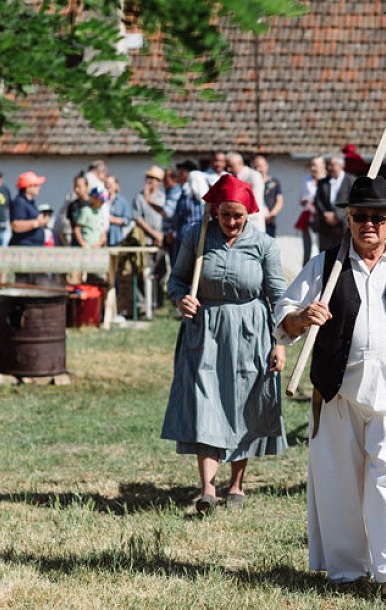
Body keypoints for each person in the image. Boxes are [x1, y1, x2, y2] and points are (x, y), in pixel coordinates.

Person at [275, 176, 386, 604]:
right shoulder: (326, 265)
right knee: (340, 483)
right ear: (348, 220)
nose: (368, 225)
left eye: (378, 217)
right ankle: (346, 569)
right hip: (338, 393)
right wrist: (303, 316)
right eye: (360, 217)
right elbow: (282, 319)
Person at [161, 174, 287, 514]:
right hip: (206, 331)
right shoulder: (197, 237)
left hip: (251, 332)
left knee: (244, 402)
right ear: (215, 211)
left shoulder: (264, 245)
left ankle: (236, 485)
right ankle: (207, 489)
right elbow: (175, 280)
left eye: (238, 216)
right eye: (225, 215)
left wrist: (281, 343)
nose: (231, 222)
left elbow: (278, 298)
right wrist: (180, 300)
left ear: (248, 214)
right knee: (206, 401)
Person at [132, 165, 169, 308]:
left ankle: (157, 302)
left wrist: (161, 236)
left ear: (159, 182)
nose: (149, 181)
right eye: (148, 177)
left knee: (160, 272)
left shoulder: (163, 198)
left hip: (161, 240)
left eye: (153, 179)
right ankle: (143, 303)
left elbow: (166, 216)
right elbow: (138, 218)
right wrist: (154, 234)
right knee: (143, 272)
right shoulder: (139, 198)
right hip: (145, 241)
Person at [312, 155, 354, 251]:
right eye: (328, 165)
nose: (329, 168)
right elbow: (317, 201)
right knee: (326, 256)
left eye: (332, 165)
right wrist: (325, 214)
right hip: (325, 227)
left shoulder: (351, 181)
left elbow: (352, 202)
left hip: (344, 226)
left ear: (341, 166)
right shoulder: (323, 182)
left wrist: (337, 216)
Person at [225, 152, 268, 232]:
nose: (228, 169)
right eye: (227, 166)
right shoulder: (229, 178)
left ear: (240, 163)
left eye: (231, 166)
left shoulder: (254, 176)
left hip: (253, 223)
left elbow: (254, 201)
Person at [296, 156, 326, 266]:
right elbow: (302, 200)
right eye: (311, 165)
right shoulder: (306, 181)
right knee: (308, 250)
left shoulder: (328, 181)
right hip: (309, 219)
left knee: (322, 250)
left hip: (323, 221)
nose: (313, 168)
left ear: (323, 166)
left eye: (315, 165)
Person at [9, 171, 49, 247]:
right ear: (27, 187)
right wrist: (37, 223)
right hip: (24, 247)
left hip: (34, 246)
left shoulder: (30, 203)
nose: (39, 188)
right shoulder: (19, 202)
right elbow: (16, 226)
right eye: (36, 185)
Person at [252, 155, 283, 237]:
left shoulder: (274, 182)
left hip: (269, 222)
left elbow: (279, 201)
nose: (259, 169)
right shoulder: (250, 183)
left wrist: (271, 215)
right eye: (256, 167)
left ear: (266, 166)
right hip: (255, 221)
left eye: (261, 166)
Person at [105, 175, 132, 247]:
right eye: (107, 184)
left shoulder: (122, 201)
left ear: (116, 185)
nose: (108, 186)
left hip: (117, 238)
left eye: (111, 184)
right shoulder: (100, 199)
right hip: (102, 238)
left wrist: (111, 219)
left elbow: (127, 220)